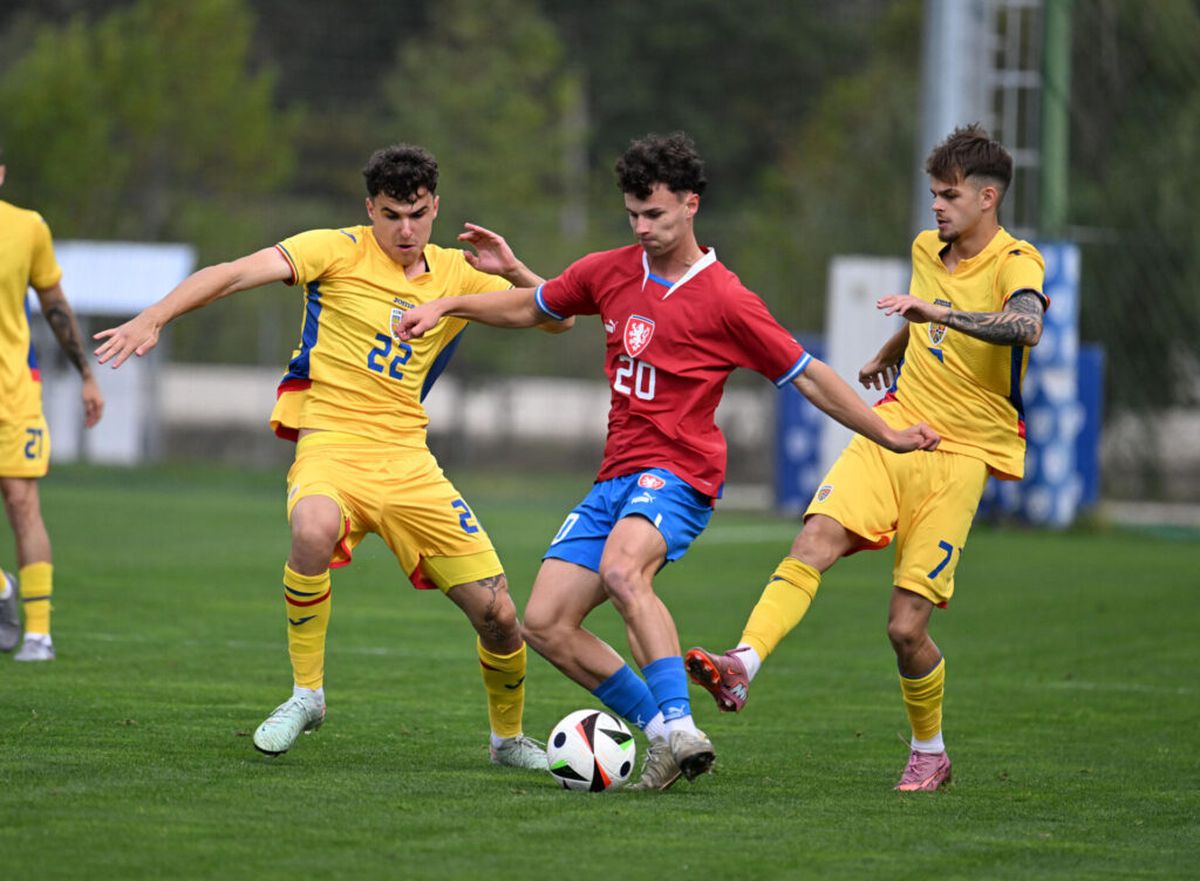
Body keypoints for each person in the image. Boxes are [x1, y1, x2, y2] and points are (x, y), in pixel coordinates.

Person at [396, 131, 939, 791]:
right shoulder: (609, 270)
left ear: (691, 205)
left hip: (679, 474)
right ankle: (661, 736)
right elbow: (533, 306)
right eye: (633, 215)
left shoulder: (728, 300)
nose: (643, 228)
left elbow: (809, 375)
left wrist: (888, 433)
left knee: (625, 571)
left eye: (655, 214)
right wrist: (450, 303)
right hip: (614, 476)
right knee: (542, 622)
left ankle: (682, 725)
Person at [94, 144, 566, 767]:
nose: (405, 229)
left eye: (418, 214)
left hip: (408, 461)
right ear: (369, 208)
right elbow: (234, 272)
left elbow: (556, 319)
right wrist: (155, 315)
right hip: (331, 445)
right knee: (312, 527)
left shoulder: (457, 272)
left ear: (436, 209)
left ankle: (507, 741)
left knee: (500, 614)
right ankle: (307, 694)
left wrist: (513, 268)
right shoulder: (334, 249)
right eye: (392, 214)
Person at [686, 124, 1047, 792]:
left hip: (965, 455)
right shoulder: (925, 249)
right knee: (813, 538)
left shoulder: (1017, 260)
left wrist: (932, 311)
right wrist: (897, 345)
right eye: (933, 194)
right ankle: (742, 664)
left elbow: (1024, 325)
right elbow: (929, 322)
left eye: (949, 195)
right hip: (896, 428)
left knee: (906, 630)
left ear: (988, 197)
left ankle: (930, 750)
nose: (936, 207)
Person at [0, 147, 105, 662]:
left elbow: (55, 306)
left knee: (21, 502)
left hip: (12, 392)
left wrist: (87, 375)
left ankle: (38, 633)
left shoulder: (26, 228)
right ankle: (1, 588)